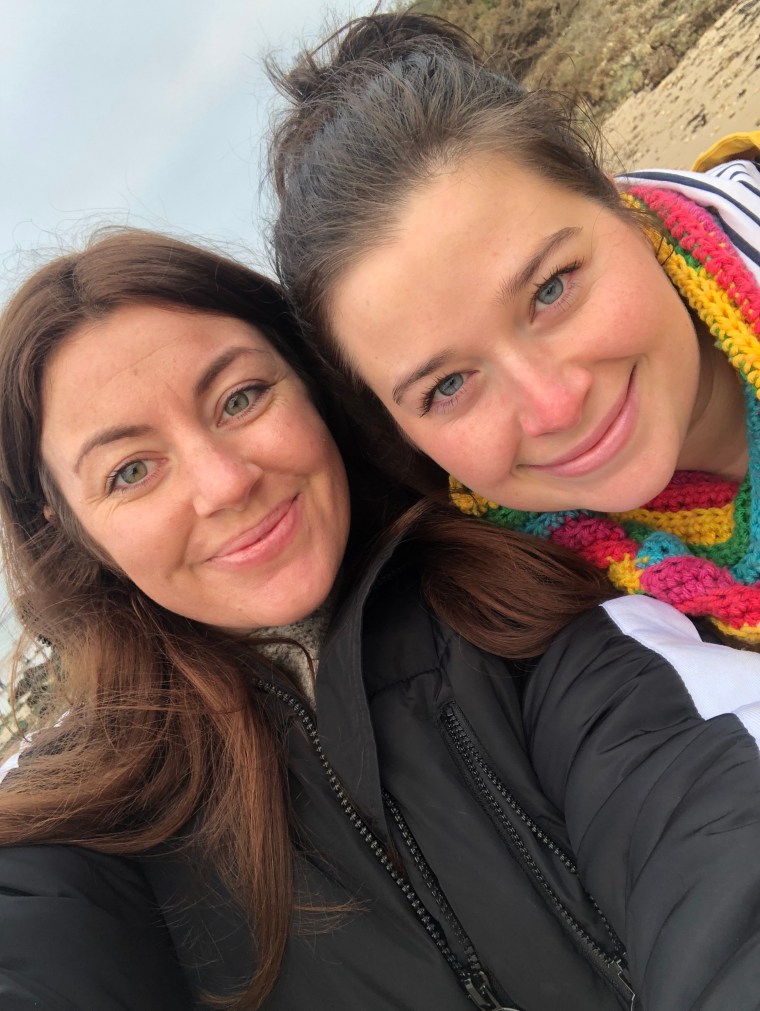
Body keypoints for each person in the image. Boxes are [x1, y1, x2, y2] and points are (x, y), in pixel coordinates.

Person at [3, 231, 760, 1011]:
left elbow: (712, 824)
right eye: (131, 471)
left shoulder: (525, 589)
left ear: (310, 380)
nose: (224, 483)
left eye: (240, 398)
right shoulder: (76, 813)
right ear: (72, 526)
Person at [269, 11, 760, 646]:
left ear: (617, 204)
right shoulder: (520, 611)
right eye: (447, 386)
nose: (555, 407)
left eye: (551, 290)